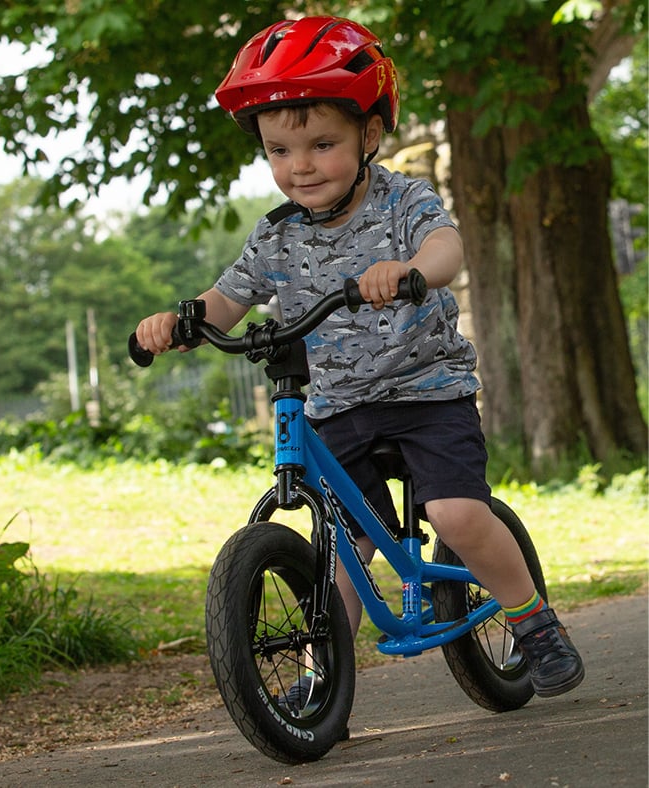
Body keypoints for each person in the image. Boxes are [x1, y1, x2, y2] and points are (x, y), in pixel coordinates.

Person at [134, 16, 584, 699]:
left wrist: (409, 270)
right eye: (280, 151)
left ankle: (536, 624)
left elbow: (447, 250)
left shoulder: (404, 199)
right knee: (341, 555)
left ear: (369, 136)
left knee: (458, 516)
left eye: (322, 144)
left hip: (425, 392)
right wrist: (178, 323)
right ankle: (323, 684)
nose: (301, 166)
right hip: (338, 405)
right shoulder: (275, 236)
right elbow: (226, 299)